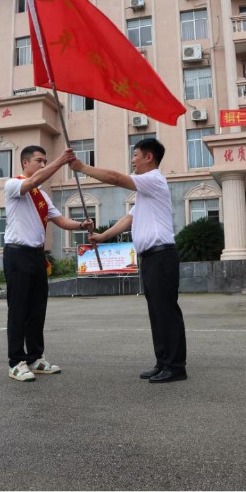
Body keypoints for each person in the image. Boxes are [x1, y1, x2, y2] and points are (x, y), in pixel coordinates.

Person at [70, 137, 187, 383]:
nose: (132, 159)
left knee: (166, 311)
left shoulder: (154, 180)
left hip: (162, 255)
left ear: (149, 157)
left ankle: (175, 367)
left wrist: (82, 168)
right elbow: (128, 219)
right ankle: (163, 361)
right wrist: (103, 236)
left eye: (136, 155)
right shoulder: (145, 193)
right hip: (151, 258)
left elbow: (114, 178)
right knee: (156, 312)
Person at [4, 145, 94, 382]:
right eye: (39, 161)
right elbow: (32, 182)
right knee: (18, 309)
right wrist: (61, 161)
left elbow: (60, 220)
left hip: (36, 255)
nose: (43, 165)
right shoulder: (13, 185)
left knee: (37, 309)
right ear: (25, 163)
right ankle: (16, 362)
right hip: (17, 254)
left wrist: (81, 226)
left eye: (45, 161)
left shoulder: (43, 196)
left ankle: (35, 358)